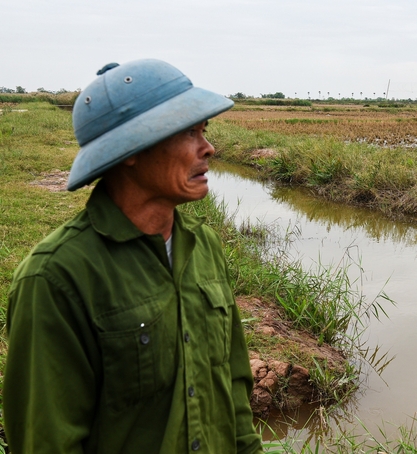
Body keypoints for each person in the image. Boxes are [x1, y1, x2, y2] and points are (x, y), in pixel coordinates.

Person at [3, 59, 264, 454]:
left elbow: (233, 388)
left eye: (204, 131)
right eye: (189, 131)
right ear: (130, 150)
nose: (208, 148)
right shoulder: (56, 278)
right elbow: (48, 440)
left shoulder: (204, 246)